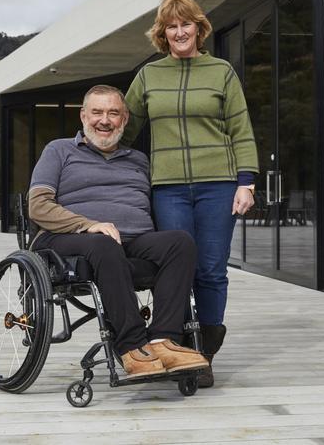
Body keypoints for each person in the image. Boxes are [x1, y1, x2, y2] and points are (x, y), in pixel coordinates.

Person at [123, 0, 259, 387]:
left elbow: (241, 129)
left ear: (199, 29)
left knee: (211, 270)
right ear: (162, 34)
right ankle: (177, 345)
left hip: (219, 185)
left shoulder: (221, 73)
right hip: (168, 189)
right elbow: (125, 128)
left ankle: (206, 353)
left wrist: (246, 182)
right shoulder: (149, 76)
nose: (179, 31)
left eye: (186, 24)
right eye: (171, 26)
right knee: (176, 269)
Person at [28, 84, 208, 378]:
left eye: (113, 113)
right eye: (97, 112)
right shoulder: (59, 150)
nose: (105, 120)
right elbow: (37, 206)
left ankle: (163, 340)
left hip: (130, 242)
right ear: (83, 116)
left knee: (180, 242)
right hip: (67, 240)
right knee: (103, 243)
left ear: (124, 120)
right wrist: (89, 225)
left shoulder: (138, 160)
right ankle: (132, 346)